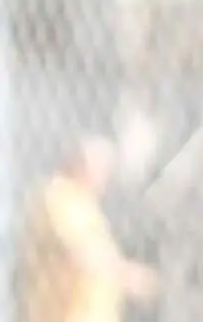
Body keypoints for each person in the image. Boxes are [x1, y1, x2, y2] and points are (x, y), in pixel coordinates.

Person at [18, 135, 159, 322]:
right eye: (102, 169)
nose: (105, 179)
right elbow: (80, 253)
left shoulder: (83, 203)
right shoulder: (59, 197)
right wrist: (128, 275)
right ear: (82, 164)